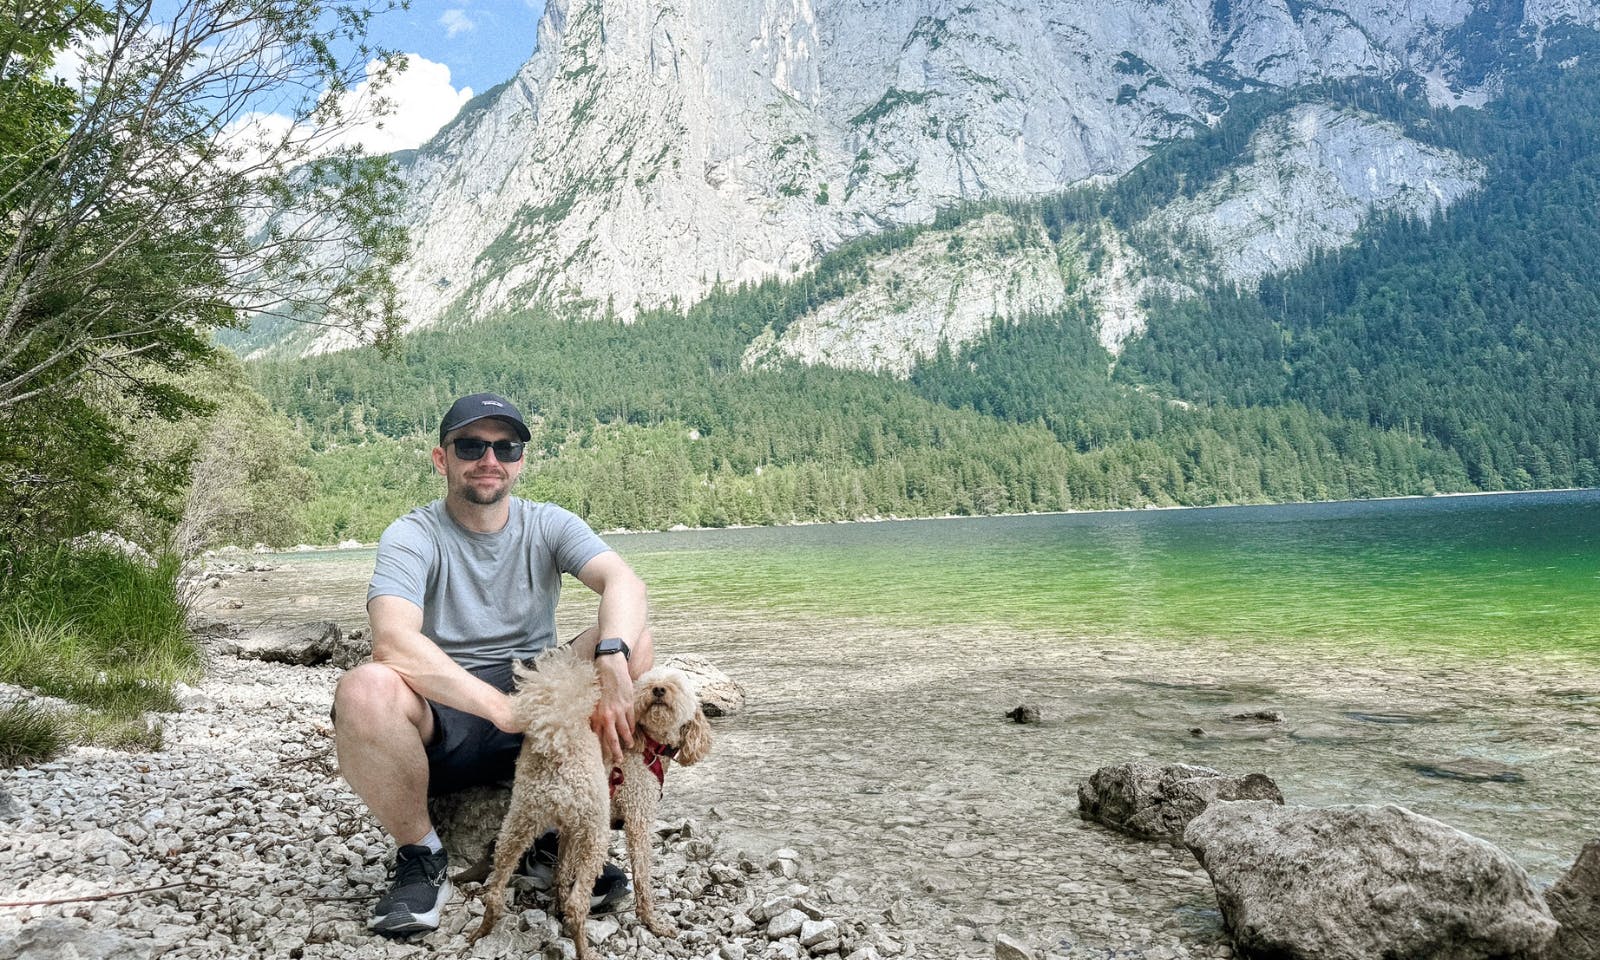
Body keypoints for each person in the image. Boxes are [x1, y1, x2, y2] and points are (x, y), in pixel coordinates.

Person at [332, 392, 655, 937]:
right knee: (364, 688)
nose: (490, 459)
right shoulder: (412, 535)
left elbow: (623, 581)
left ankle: (555, 834)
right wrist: (501, 709)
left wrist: (612, 657)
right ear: (443, 458)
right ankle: (422, 857)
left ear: (520, 460)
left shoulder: (548, 523)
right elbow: (392, 641)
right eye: (472, 445)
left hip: (538, 707)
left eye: (505, 447)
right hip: (448, 708)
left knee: (632, 639)